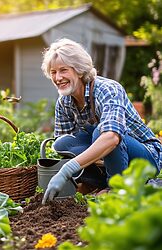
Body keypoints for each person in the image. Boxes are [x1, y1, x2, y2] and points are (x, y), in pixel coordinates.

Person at [40, 38, 162, 204]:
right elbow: (65, 149)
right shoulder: (64, 102)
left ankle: (117, 188)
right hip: (111, 157)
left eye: (63, 70)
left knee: (102, 132)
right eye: (53, 72)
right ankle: (97, 184)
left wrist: (67, 171)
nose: (58, 77)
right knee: (62, 143)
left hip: (145, 157)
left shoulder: (107, 89)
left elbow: (111, 137)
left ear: (80, 70)